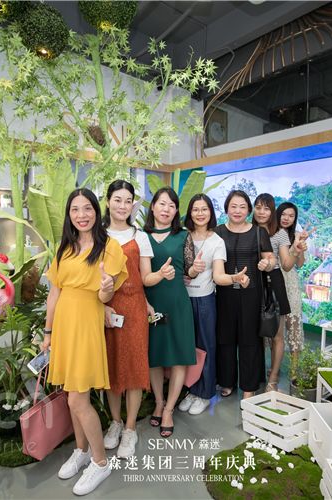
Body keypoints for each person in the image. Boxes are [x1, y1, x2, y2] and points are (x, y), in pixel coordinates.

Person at [40, 188, 128, 496]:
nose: (82, 215)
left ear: (96, 211)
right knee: (70, 396)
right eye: (75, 209)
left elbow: (105, 295)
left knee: (78, 400)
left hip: (87, 324)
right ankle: (82, 451)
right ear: (69, 214)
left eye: (87, 208)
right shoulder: (65, 247)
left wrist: (106, 288)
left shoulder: (109, 247)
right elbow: (55, 293)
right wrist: (48, 333)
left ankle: (101, 462)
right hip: (64, 326)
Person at [100, 180, 155, 458]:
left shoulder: (140, 236)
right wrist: (101, 307)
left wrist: (155, 283)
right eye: (117, 199)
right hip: (106, 307)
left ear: (133, 204)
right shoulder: (97, 235)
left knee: (134, 366)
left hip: (134, 308)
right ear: (108, 201)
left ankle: (130, 428)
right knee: (110, 367)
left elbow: (145, 277)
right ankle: (115, 422)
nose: (123, 206)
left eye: (128, 200)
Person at [141, 187, 196, 437]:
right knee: (154, 354)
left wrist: (195, 270)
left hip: (177, 303)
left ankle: (169, 409)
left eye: (171, 205)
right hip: (151, 303)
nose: (166, 209)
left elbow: (190, 270)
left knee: (178, 356)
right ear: (153, 207)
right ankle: (158, 401)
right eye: (162, 204)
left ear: (176, 212)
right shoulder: (141, 236)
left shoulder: (183, 235)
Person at [215, 190, 275, 399]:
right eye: (233, 206)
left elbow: (271, 260)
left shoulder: (259, 233)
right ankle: (227, 381)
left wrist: (267, 263)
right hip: (224, 293)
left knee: (250, 339)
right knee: (225, 339)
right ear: (227, 209)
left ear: (249, 210)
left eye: (242, 207)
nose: (237, 210)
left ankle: (249, 385)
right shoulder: (218, 232)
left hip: (252, 294)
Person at [178, 194, 228, 415]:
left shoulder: (217, 241)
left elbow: (218, 274)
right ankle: (192, 389)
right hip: (181, 298)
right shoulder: (182, 236)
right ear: (190, 213)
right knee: (187, 347)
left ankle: (205, 393)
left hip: (205, 299)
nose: (200, 213)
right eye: (195, 209)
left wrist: (234, 278)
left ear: (211, 212)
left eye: (204, 209)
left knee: (206, 346)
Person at [252, 193, 297, 392]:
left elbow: (286, 265)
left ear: (272, 212)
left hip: (274, 282)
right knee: (254, 334)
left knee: (277, 335)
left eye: (267, 208)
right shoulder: (247, 229)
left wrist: (296, 249)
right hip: (251, 283)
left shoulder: (279, 233)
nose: (262, 212)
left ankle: (273, 378)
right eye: (258, 207)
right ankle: (255, 374)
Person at [276, 202, 309, 376]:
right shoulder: (272, 233)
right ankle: (274, 366)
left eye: (291, 216)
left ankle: (294, 370)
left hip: (291, 284)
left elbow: (300, 264)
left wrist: (300, 245)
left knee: (294, 326)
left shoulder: (297, 235)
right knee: (275, 328)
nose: (286, 218)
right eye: (283, 214)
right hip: (274, 283)